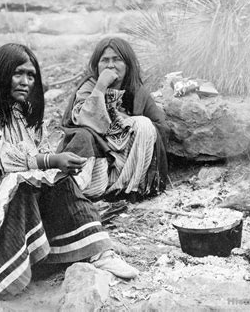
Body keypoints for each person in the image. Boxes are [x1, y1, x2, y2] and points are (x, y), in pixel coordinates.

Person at [0, 43, 138, 298]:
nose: (25, 82)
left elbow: (30, 152)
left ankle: (98, 250)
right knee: (22, 186)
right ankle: (11, 262)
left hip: (6, 189)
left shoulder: (17, 110)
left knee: (61, 182)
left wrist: (53, 165)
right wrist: (49, 161)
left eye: (31, 75)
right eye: (18, 73)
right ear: (1, 73)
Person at [59, 37, 169, 203]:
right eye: (105, 60)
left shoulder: (137, 92)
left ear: (127, 65)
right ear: (97, 66)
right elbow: (82, 121)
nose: (110, 65)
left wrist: (128, 122)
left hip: (126, 162)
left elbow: (161, 128)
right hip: (97, 159)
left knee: (144, 124)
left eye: (116, 59)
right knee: (84, 136)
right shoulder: (88, 87)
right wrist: (100, 88)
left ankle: (128, 189)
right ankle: (79, 195)